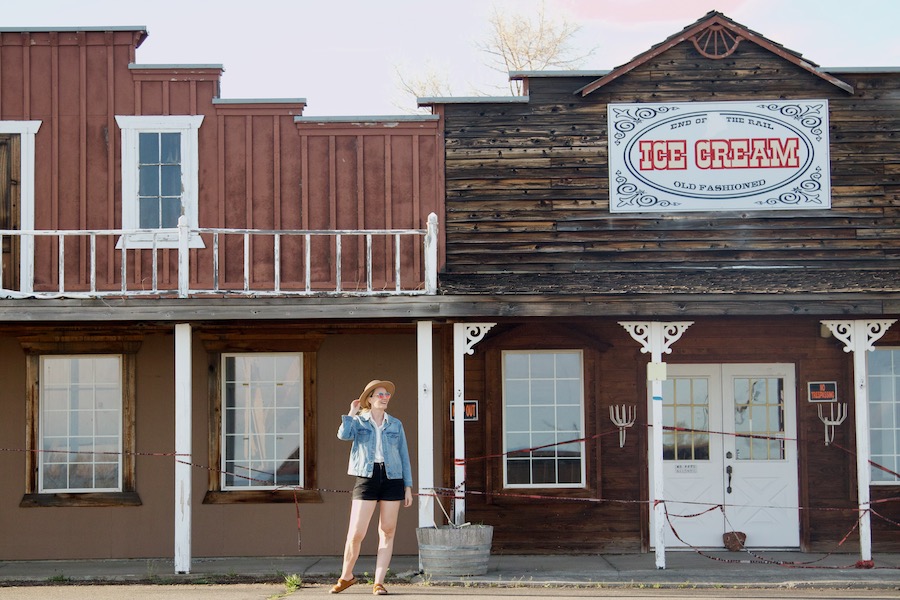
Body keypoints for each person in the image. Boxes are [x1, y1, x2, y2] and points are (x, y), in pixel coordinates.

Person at [331, 379, 413, 595]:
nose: (385, 398)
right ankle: (346, 576)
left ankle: (378, 582)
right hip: (367, 477)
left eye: (387, 395)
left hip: (393, 478)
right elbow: (343, 435)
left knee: (387, 531)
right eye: (380, 395)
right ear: (369, 399)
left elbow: (404, 456)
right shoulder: (358, 422)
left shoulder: (395, 424)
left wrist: (407, 486)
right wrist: (351, 412)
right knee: (356, 533)